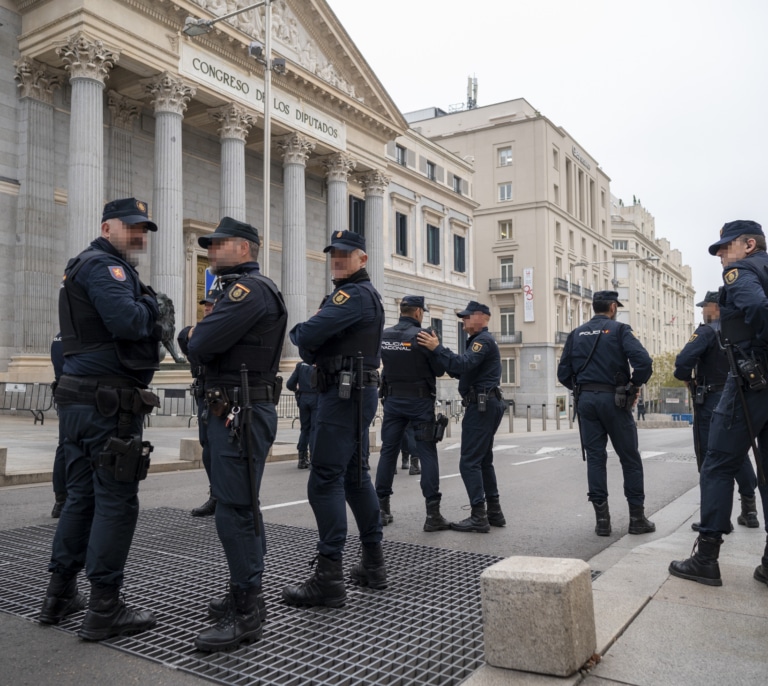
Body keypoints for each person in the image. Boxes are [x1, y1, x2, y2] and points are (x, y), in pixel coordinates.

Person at [40, 197, 162, 640]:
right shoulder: (103, 267)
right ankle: (105, 607)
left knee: (80, 499)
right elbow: (129, 322)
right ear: (106, 227)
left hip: (81, 401)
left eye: (143, 229)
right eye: (131, 227)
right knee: (115, 501)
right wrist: (154, 308)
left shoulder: (87, 265)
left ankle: (58, 596)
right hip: (106, 406)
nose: (139, 235)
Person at [181, 217, 287, 651]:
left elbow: (201, 343)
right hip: (232, 408)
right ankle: (244, 592)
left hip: (240, 411)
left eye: (219, 244)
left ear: (245, 248)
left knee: (236, 509)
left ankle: (248, 609)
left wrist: (193, 333)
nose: (212, 250)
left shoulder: (249, 291)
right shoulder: (232, 291)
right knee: (237, 504)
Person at [283, 230, 386, 608]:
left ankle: (329, 577)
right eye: (334, 255)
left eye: (346, 255)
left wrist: (310, 332)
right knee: (355, 477)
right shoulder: (359, 295)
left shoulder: (352, 295)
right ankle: (373, 565)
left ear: (363, 259)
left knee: (324, 481)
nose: (338, 260)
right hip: (354, 393)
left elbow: (305, 335)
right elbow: (312, 344)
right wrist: (313, 339)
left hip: (343, 396)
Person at [670, 220, 768, 587]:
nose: (722, 256)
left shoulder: (740, 272)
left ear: (748, 244)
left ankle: (706, 556)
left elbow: (756, 306)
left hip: (750, 379)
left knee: (717, 464)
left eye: (726, 247)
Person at [557, 290, 655, 537]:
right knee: (629, 458)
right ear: (612, 307)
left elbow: (563, 374)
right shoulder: (620, 330)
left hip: (586, 400)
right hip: (615, 399)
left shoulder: (576, 333)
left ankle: (602, 522)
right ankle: (636, 519)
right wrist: (633, 387)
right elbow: (643, 362)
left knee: (596, 458)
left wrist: (582, 390)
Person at [417, 300, 506, 533]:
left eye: (466, 317)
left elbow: (464, 364)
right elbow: (458, 369)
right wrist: (438, 352)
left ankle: (479, 516)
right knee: (483, 459)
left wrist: (438, 348)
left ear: (480, 317)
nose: (464, 322)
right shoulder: (479, 341)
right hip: (486, 403)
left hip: (482, 406)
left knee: (469, 462)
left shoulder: (482, 341)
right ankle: (494, 512)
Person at [674, 289, 759, 531]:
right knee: (738, 453)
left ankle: (716, 518)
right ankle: (750, 510)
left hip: (711, 400)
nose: (702, 311)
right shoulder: (742, 329)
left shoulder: (706, 331)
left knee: (711, 458)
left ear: (715, 307)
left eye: (705, 306)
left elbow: (682, 362)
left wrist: (686, 378)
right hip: (739, 398)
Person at [375, 295, 448, 531]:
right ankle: (432, 515)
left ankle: (382, 509)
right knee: (427, 453)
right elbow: (438, 369)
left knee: (388, 452)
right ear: (418, 312)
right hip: (419, 401)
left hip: (394, 400)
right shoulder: (423, 336)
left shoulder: (384, 335)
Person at [178, 288, 222, 517]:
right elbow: (183, 337)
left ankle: (230, 496)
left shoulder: (225, 328)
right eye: (206, 304)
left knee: (223, 448)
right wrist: (193, 332)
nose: (207, 307)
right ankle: (215, 495)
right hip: (204, 395)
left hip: (221, 397)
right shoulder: (200, 329)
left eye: (212, 304)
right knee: (207, 446)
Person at [285, 361, 318, 469]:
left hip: (303, 398)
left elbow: (290, 384)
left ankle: (302, 458)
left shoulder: (301, 366)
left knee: (304, 429)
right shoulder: (319, 365)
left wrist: (297, 390)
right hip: (316, 398)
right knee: (314, 429)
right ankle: (314, 459)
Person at [50, 332, 67, 518]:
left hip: (63, 393)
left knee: (63, 446)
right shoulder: (79, 333)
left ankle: (60, 500)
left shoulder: (58, 337)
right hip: (80, 396)